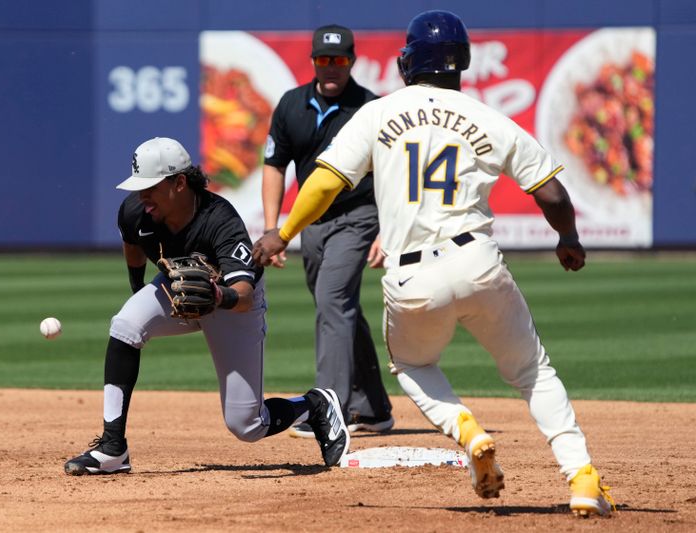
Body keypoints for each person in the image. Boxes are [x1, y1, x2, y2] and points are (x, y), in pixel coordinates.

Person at [253, 11, 616, 518]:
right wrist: (568, 238)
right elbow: (552, 192)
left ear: (406, 62)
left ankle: (467, 431)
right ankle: (581, 477)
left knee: (415, 365)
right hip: (478, 261)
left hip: (410, 277)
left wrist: (282, 233)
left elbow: (324, 182)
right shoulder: (489, 118)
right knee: (532, 371)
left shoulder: (379, 112)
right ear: (462, 62)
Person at [64, 137, 349, 475]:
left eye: (151, 187)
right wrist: (137, 290)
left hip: (231, 305)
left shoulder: (221, 220)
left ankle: (316, 405)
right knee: (126, 324)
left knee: (246, 425)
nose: (143, 196)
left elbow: (242, 293)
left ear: (179, 183)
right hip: (176, 292)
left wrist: (217, 297)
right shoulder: (136, 211)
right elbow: (133, 244)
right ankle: (112, 448)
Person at [262, 24, 393, 437]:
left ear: (352, 60)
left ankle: (330, 408)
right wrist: (274, 227)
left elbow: (393, 174)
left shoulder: (369, 108)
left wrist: (387, 230)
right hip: (311, 223)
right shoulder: (291, 105)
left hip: (359, 215)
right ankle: (373, 410)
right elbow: (274, 167)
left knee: (333, 301)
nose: (331, 67)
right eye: (323, 59)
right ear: (314, 61)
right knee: (342, 309)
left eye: (338, 60)